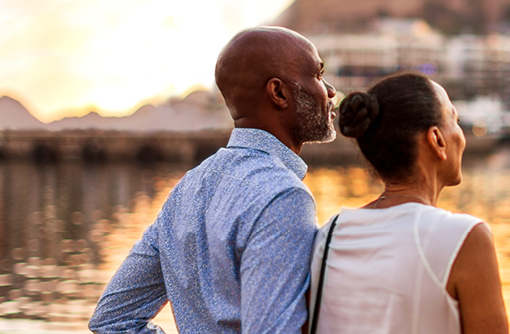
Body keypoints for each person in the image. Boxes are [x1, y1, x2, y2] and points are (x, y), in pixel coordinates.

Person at [89, 26, 337, 333]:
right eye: (317, 75)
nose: (330, 90)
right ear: (279, 93)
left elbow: (112, 320)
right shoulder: (283, 196)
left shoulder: (188, 188)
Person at [308, 72, 508, 334]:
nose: (462, 135)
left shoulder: (329, 234)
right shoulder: (464, 239)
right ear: (437, 140)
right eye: (455, 121)